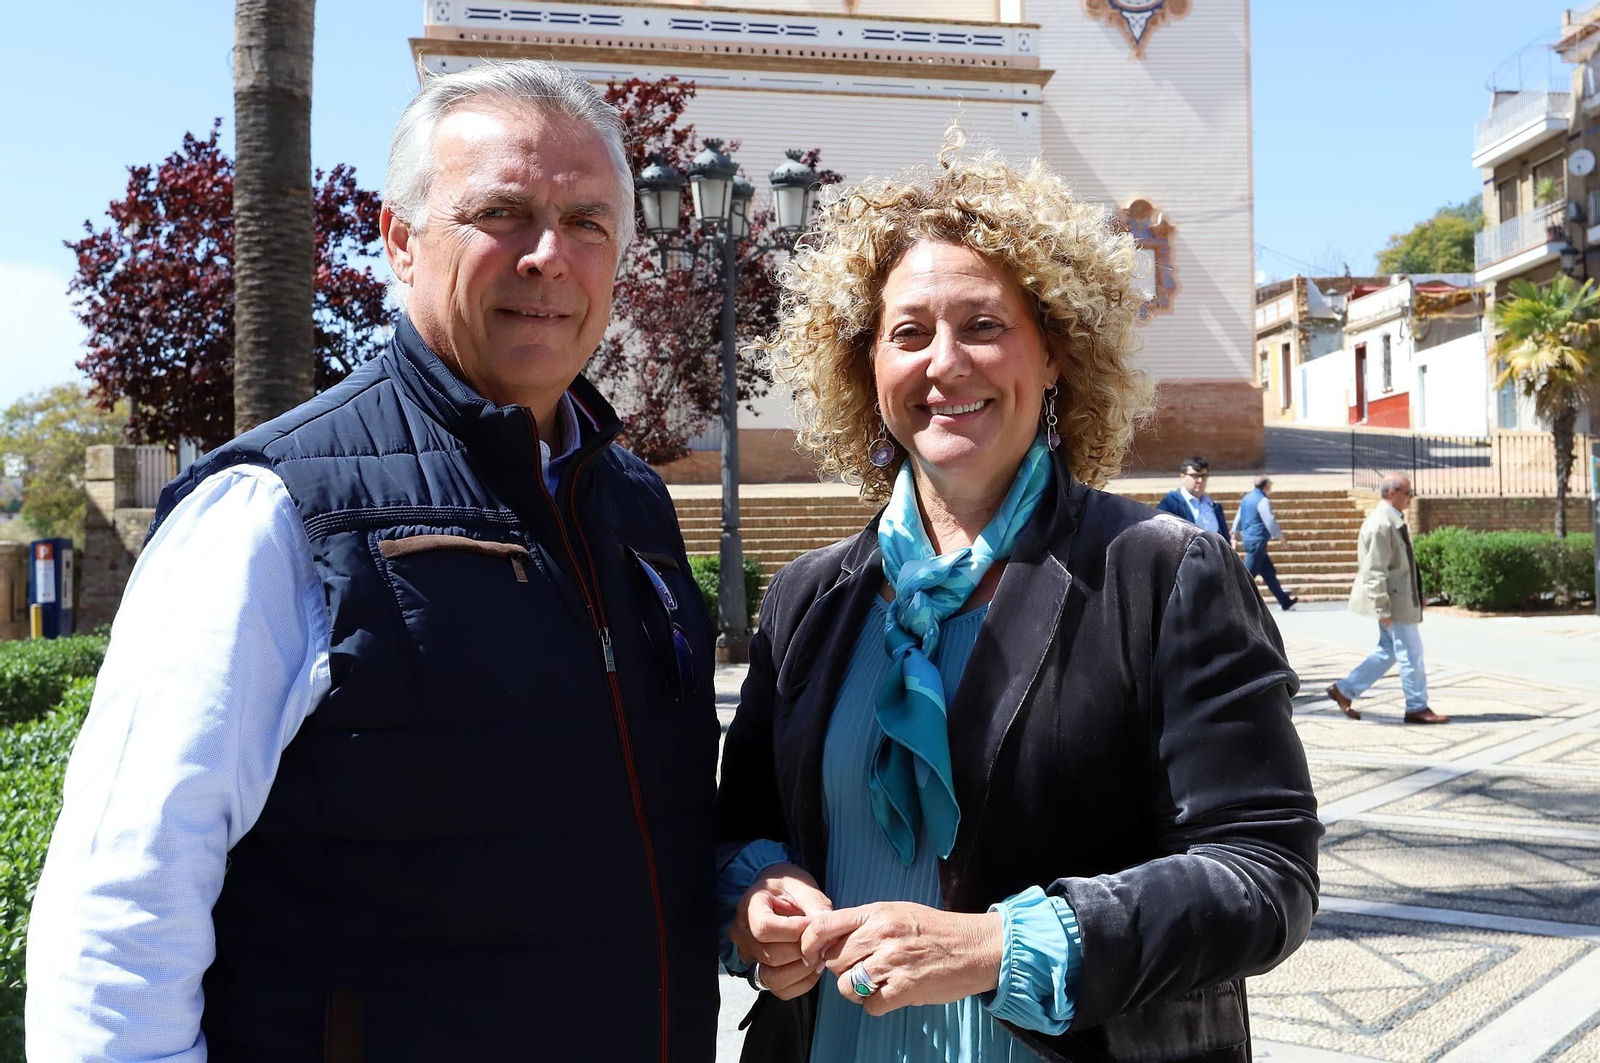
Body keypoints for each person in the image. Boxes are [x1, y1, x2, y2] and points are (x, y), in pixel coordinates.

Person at [26, 61, 720, 1060]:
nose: (548, 257)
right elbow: (123, 901)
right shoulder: (271, 511)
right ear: (401, 240)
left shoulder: (633, 507)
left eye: (587, 222)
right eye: (503, 213)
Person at [715, 135, 1321, 1063]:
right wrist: (756, 895)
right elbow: (740, 823)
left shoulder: (1161, 572)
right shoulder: (810, 599)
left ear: (1055, 358)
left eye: (984, 326)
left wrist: (1002, 947)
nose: (945, 363)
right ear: (867, 369)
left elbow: (1264, 874)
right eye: (909, 332)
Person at [1326, 474, 1448, 724]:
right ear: (1392, 493)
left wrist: (1418, 594)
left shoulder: (1393, 521)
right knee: (1410, 653)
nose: (1411, 499)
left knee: (1389, 651)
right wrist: (1384, 609)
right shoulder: (1382, 524)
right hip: (1393, 603)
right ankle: (1417, 706)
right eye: (1408, 493)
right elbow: (1374, 570)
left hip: (1400, 599)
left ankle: (1344, 689)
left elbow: (1401, 568)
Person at [1231, 474, 1298, 612]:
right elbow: (1270, 521)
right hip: (1258, 541)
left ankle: (1284, 601)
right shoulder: (1262, 500)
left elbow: (1239, 517)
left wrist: (1234, 532)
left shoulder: (1246, 498)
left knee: (1268, 572)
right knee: (1247, 575)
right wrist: (1281, 539)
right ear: (1266, 486)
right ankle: (1233, 602)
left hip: (1249, 539)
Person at [1157, 455, 1226, 533]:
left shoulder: (1214, 506)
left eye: (1203, 476)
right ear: (1182, 477)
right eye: (1195, 476)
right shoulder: (1171, 504)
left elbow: (1225, 538)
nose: (1200, 480)